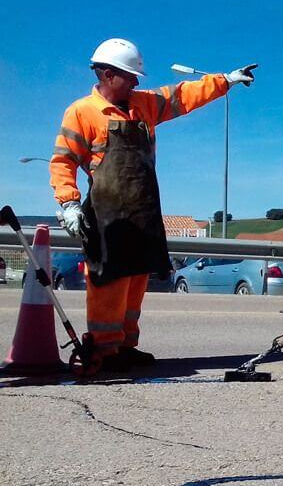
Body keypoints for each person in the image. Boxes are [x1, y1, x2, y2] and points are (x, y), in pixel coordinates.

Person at [50, 38, 256, 373]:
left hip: (142, 212)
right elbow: (63, 161)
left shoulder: (143, 105)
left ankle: (126, 346)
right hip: (108, 217)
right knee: (110, 284)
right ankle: (104, 350)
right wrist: (69, 203)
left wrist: (226, 80)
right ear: (105, 74)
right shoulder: (82, 112)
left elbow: (183, 96)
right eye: (129, 76)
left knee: (135, 284)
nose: (135, 82)